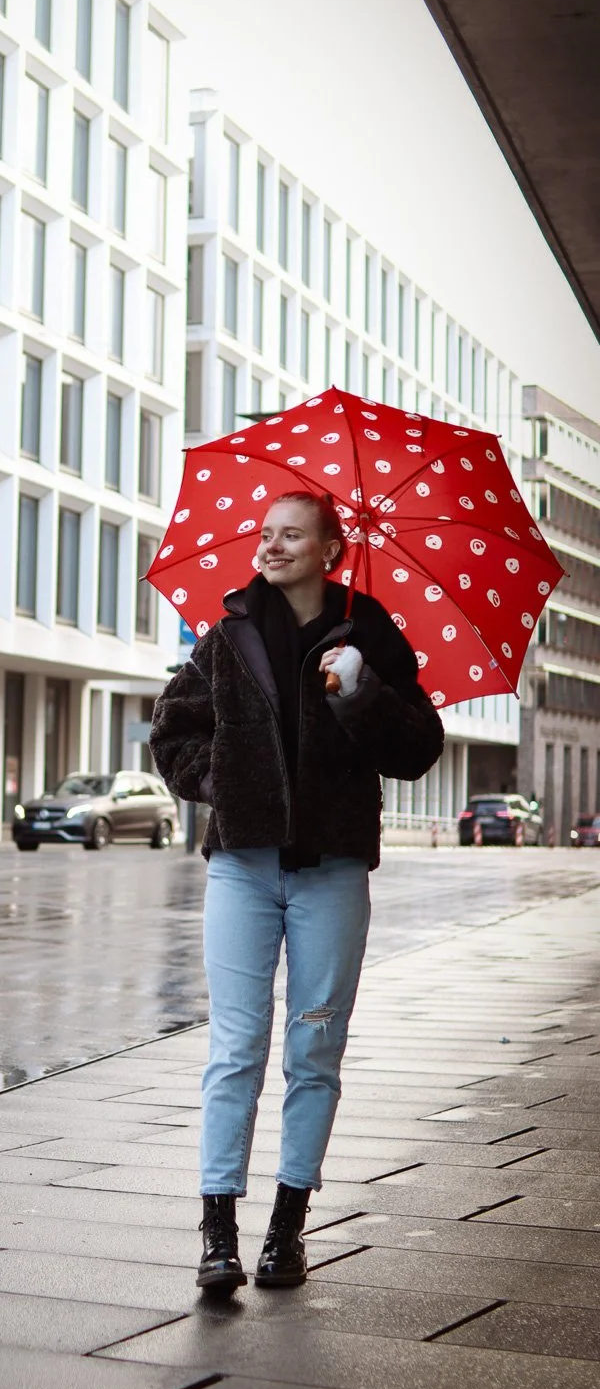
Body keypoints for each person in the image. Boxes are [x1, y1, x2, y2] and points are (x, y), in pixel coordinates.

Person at [150, 490, 444, 1295]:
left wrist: (360, 695)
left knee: (314, 1048)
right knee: (235, 1049)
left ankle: (287, 1229)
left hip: (334, 870)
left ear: (330, 551)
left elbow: (419, 750)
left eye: (291, 535)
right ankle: (217, 1232)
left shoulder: (372, 635)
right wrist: (223, 784)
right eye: (267, 534)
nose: (272, 546)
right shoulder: (230, 633)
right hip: (242, 868)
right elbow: (171, 731)